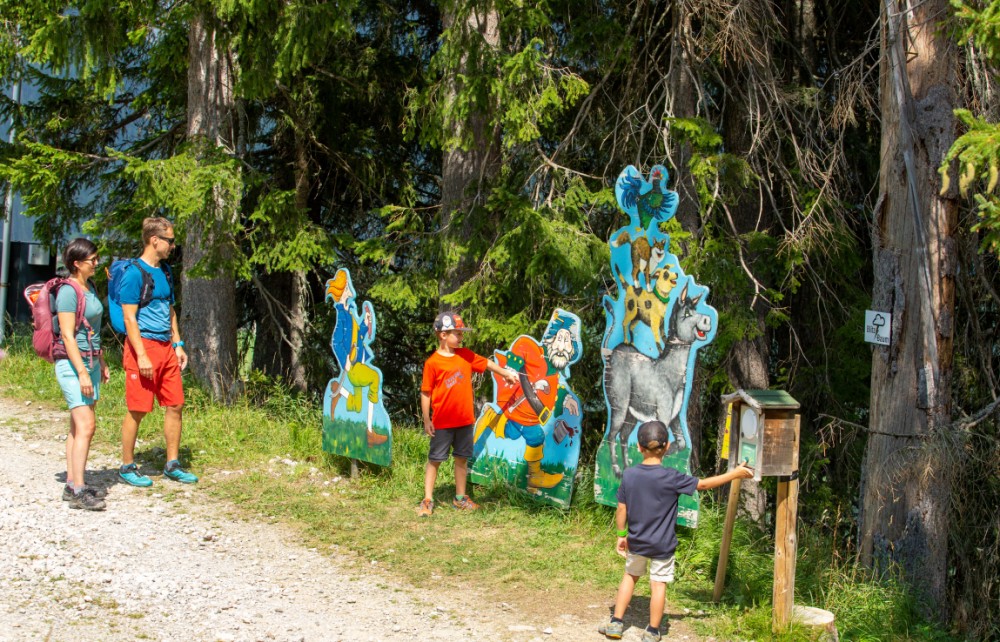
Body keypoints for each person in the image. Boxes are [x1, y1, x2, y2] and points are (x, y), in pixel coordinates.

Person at [598, 421, 754, 641]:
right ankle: (652, 631)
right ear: (668, 446)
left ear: (639, 447)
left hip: (637, 541)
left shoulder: (630, 475)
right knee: (658, 584)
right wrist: (735, 473)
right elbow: (703, 485)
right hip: (662, 544)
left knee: (630, 576)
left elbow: (621, 509)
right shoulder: (671, 477)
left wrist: (621, 535)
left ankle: (616, 622)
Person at [117, 217, 197, 487]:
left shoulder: (165, 271)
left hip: (166, 348)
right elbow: (129, 318)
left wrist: (178, 344)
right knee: (138, 409)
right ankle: (127, 465)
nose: (173, 245)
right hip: (144, 347)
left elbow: (170, 309)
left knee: (175, 405)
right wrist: (141, 355)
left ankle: (172, 464)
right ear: (155, 240)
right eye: (170, 240)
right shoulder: (133, 273)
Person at [417, 311, 519, 517]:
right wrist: (427, 419)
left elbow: (487, 363)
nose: (462, 337)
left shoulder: (465, 355)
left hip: (464, 421)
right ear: (443, 335)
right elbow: (426, 392)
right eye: (458, 333)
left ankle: (460, 498)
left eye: (462, 333)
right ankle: (427, 499)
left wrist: (506, 373)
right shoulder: (432, 363)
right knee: (435, 460)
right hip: (442, 423)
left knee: (462, 459)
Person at [55, 238, 110, 511]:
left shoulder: (89, 288)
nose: (97, 263)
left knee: (77, 427)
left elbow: (92, 330)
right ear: (77, 264)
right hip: (72, 365)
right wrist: (82, 373)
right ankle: (78, 490)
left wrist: (101, 361)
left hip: (91, 363)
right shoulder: (68, 291)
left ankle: (72, 483)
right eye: (92, 260)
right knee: (87, 425)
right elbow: (67, 335)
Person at [325, 268, 388, 447]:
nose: (349, 289)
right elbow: (337, 341)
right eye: (346, 287)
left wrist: (366, 322)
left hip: (357, 360)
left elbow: (357, 336)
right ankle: (370, 433)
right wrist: (344, 359)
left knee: (356, 405)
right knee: (374, 377)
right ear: (344, 291)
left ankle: (339, 391)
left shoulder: (349, 312)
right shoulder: (342, 315)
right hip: (353, 365)